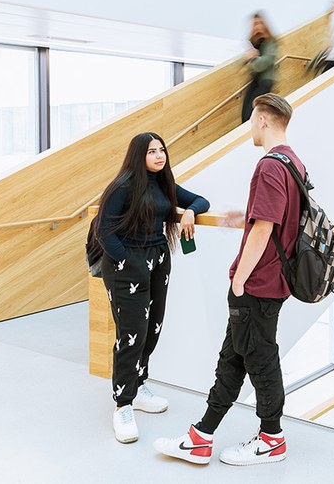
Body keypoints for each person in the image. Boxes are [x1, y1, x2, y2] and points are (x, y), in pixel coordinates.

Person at [155, 93, 302, 467]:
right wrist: (245, 217)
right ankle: (201, 436)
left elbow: (265, 229)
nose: (250, 126)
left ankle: (272, 438)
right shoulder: (292, 163)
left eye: (253, 119)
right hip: (273, 280)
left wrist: (240, 279)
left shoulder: (269, 166)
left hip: (257, 284)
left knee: (260, 360)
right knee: (233, 359)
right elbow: (273, 220)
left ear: (264, 121)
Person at [95, 132, 211, 444]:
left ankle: (139, 382)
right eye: (152, 152)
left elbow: (201, 201)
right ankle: (123, 403)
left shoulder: (163, 183)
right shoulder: (122, 187)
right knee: (131, 334)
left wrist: (189, 211)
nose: (159, 156)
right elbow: (102, 229)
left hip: (158, 262)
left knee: (152, 329)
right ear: (138, 156)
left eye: (162, 150)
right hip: (127, 266)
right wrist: (127, 261)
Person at [241, 13, 278, 123]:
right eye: (254, 24)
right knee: (244, 115)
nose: (256, 26)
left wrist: (252, 59)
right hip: (254, 82)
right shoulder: (253, 43)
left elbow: (266, 61)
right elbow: (242, 62)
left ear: (264, 25)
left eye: (259, 23)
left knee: (251, 114)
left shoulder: (271, 42)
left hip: (265, 82)